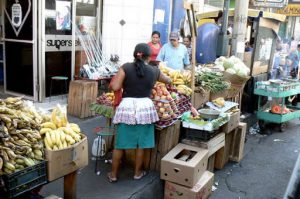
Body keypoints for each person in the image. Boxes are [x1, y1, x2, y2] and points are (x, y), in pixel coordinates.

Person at [107, 43, 171, 182]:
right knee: (141, 144)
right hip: (144, 109)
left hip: (127, 107)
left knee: (120, 143)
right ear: (149, 56)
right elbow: (169, 80)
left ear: (135, 54)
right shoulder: (154, 70)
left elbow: (116, 86)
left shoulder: (125, 67)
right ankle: (137, 173)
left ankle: (113, 175)